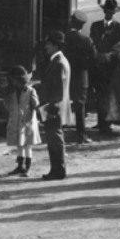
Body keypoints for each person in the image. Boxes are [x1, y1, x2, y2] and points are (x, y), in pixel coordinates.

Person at [89, 0, 120, 135]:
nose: (110, 14)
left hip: (112, 67)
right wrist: (98, 55)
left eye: (112, 12)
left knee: (109, 95)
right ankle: (100, 122)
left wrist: (110, 55)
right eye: (108, 12)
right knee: (99, 94)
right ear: (104, 11)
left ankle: (107, 123)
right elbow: (92, 43)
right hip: (98, 66)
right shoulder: (95, 26)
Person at [38, 31, 71, 181]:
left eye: (48, 44)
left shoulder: (58, 63)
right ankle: (56, 169)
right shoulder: (59, 61)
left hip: (54, 108)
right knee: (54, 139)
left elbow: (58, 90)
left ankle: (58, 170)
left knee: (55, 140)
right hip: (55, 107)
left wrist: (51, 110)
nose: (46, 46)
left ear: (56, 46)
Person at [64, 11, 97, 144]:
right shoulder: (86, 40)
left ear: (72, 22)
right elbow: (94, 59)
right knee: (80, 105)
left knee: (63, 101)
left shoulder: (64, 38)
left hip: (66, 74)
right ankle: (81, 135)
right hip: (81, 75)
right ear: (82, 26)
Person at [4, 66, 40, 177]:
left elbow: (36, 103)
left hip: (27, 121)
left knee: (27, 144)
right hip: (16, 120)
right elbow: (9, 107)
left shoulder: (30, 90)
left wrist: (37, 106)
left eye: (13, 80)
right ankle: (20, 166)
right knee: (19, 143)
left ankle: (28, 167)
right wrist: (6, 100)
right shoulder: (13, 92)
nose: (12, 82)